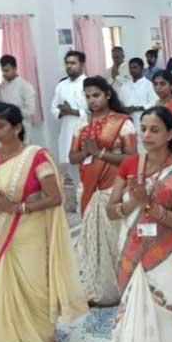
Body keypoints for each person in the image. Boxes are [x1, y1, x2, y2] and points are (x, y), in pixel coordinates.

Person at [0, 102, 87, 342]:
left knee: (34, 285)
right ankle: (10, 339)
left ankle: (40, 337)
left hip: (29, 232)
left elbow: (55, 197)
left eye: (1, 126)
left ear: (17, 128)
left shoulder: (36, 156)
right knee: (5, 285)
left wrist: (16, 208)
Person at [108, 106, 172, 342]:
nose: (147, 135)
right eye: (143, 129)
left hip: (170, 257)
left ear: (170, 134)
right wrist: (132, 203)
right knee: (134, 311)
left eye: (154, 130)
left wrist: (150, 206)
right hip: (134, 250)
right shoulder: (130, 165)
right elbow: (111, 210)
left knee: (170, 315)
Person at [70, 76, 137, 306]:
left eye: (96, 95)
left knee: (116, 239)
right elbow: (72, 157)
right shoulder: (82, 124)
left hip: (114, 187)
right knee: (93, 242)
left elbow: (132, 157)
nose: (92, 100)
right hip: (89, 186)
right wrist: (88, 152)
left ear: (108, 94)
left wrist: (99, 153)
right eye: (88, 96)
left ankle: (125, 286)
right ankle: (99, 289)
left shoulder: (122, 123)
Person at [51, 50, 87, 207]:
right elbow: (53, 107)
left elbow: (94, 109)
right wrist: (61, 111)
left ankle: (87, 200)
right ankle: (80, 202)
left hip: (84, 130)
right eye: (67, 63)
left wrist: (72, 111)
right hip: (66, 130)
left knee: (86, 166)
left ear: (82, 65)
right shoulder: (61, 85)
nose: (69, 66)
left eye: (73, 63)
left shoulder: (88, 84)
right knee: (71, 169)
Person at [119, 57, 158, 151]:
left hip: (143, 120)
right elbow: (119, 102)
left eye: (135, 67)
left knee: (143, 147)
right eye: (130, 68)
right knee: (129, 146)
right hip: (127, 121)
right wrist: (124, 109)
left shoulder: (148, 85)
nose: (132, 70)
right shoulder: (124, 86)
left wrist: (138, 108)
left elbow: (155, 102)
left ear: (142, 69)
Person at [0, 54, 37, 141]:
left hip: (22, 128)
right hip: (6, 129)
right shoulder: (2, 87)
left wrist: (11, 112)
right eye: (2, 71)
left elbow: (30, 111)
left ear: (15, 68)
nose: (4, 74)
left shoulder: (25, 86)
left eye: (7, 71)